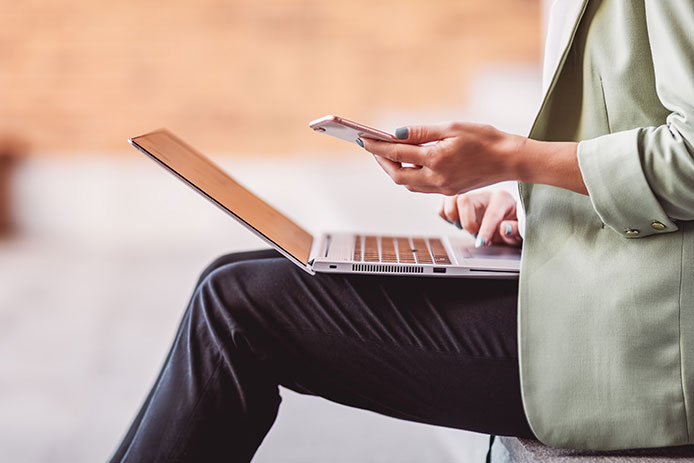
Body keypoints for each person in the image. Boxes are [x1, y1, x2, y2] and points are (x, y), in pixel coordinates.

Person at [111, 0, 694, 460]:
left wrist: (515, 160)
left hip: (649, 338)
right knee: (229, 274)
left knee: (237, 305)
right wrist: (531, 195)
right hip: (607, 271)